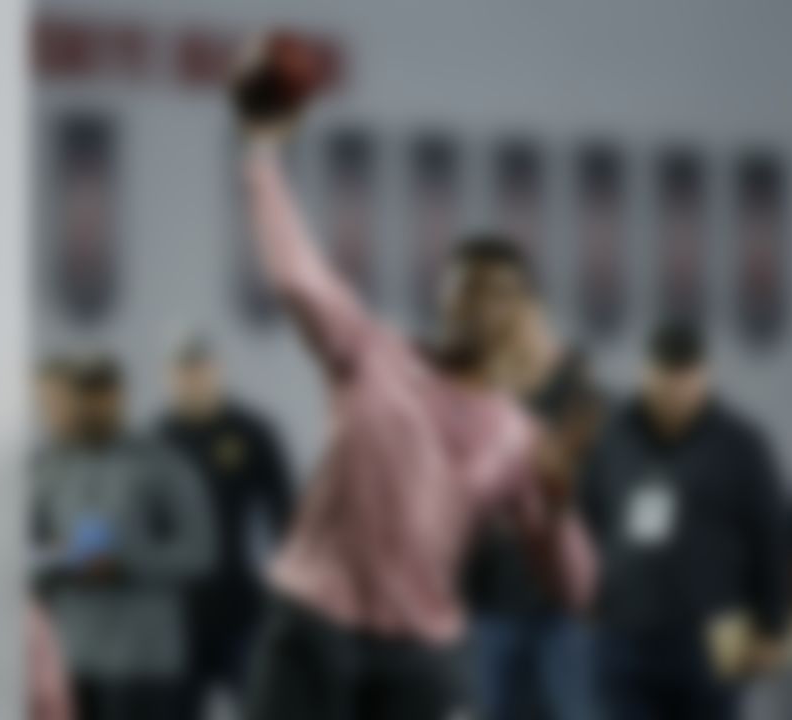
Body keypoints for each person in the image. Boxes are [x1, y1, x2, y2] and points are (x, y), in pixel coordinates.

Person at [231, 41, 597, 720]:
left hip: (424, 656)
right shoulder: (370, 353)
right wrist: (259, 153)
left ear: (521, 316)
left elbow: (574, 589)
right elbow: (297, 275)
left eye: (499, 294)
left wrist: (555, 506)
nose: (479, 305)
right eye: (465, 289)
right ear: (443, 299)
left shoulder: (522, 438)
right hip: (314, 628)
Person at [581, 322, 791, 720]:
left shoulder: (741, 444)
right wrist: (583, 593)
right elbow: (587, 519)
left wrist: (773, 625)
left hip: (715, 633)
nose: (674, 391)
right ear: (645, 374)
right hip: (625, 628)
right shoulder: (611, 437)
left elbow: (771, 537)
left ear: (704, 377)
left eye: (686, 379)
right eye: (664, 377)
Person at [456, 238, 603, 720]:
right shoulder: (470, 399)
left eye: (521, 313)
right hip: (487, 606)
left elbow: (600, 501)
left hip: (561, 614)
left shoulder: (581, 397)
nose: (512, 326)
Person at [31, 357, 214, 720]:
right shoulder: (46, 467)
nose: (92, 407)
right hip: (71, 657)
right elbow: (21, 550)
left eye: (102, 394)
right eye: (82, 396)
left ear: (119, 397)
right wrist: (58, 561)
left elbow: (200, 552)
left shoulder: (164, 464)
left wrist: (127, 564)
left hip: (143, 659)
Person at [156, 337, 294, 716]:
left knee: (262, 707)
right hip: (176, 615)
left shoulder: (250, 432)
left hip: (241, 609)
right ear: (168, 377)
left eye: (200, 369)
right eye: (183, 371)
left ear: (217, 371)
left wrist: (290, 594)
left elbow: (286, 517)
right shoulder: (156, 440)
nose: (193, 380)